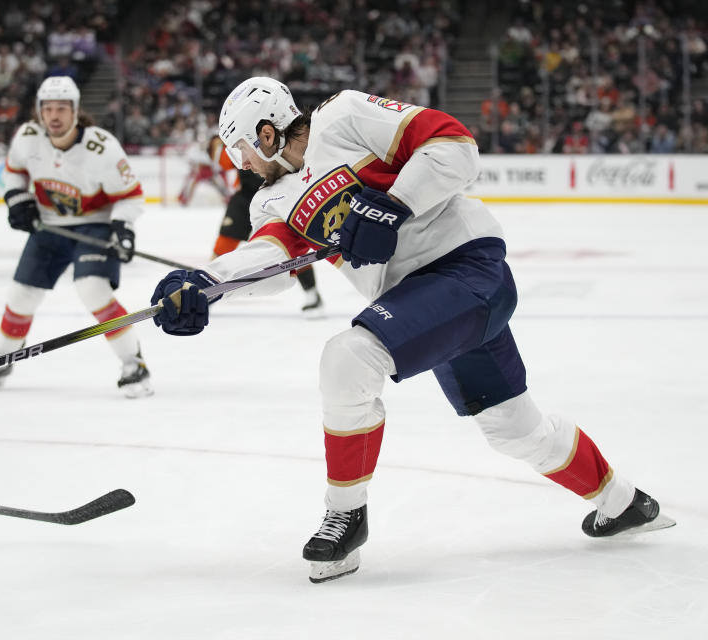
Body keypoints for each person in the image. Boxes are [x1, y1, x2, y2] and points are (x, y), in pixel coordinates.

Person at [149, 77, 673, 583]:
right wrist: (207, 283)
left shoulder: (343, 116)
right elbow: (273, 259)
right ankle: (625, 503)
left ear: (266, 132)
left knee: (348, 357)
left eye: (240, 148)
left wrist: (395, 206)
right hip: (423, 303)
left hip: (468, 270)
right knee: (515, 429)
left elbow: (454, 143)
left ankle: (346, 516)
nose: (238, 163)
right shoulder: (271, 201)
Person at [0, 75, 152, 398]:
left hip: (94, 226)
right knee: (21, 296)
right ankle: (3, 358)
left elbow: (131, 196)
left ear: (75, 111)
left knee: (93, 291)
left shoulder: (102, 147)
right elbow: (14, 171)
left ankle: (133, 362)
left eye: (61, 109)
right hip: (49, 227)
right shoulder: (28, 138)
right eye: (48, 109)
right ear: (39, 112)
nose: (54, 116)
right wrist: (18, 200)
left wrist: (123, 228)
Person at [209, 133, 324, 317]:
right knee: (224, 241)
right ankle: (210, 288)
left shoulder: (275, 139)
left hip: (275, 197)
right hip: (245, 199)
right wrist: (219, 146)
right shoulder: (240, 143)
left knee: (290, 249)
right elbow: (224, 163)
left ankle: (312, 294)